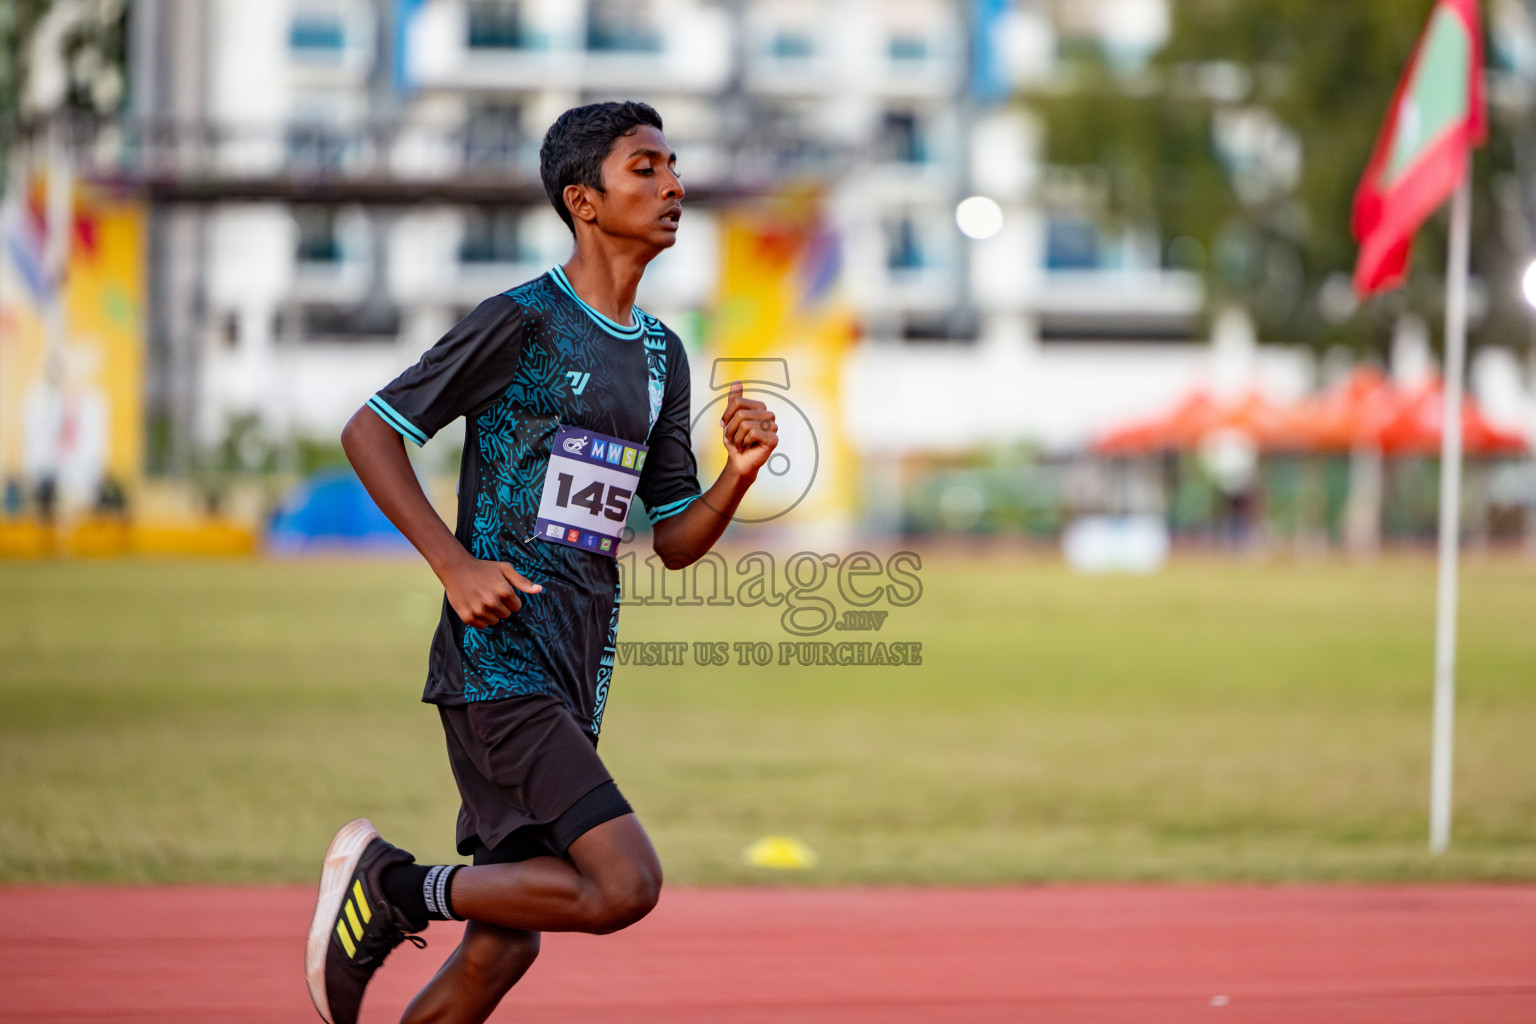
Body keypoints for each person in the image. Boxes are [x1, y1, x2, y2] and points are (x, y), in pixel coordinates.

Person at [305, 101, 779, 1024]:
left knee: (504, 945)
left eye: (674, 167)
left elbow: (676, 539)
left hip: (575, 668)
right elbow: (372, 430)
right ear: (584, 200)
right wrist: (450, 563)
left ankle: (412, 893)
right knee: (623, 885)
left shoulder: (659, 356)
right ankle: (396, 885)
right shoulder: (521, 321)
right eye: (646, 168)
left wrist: (738, 476)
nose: (674, 185)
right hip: (501, 664)